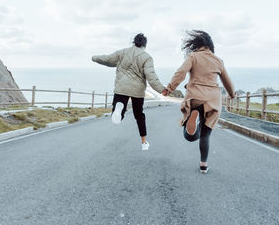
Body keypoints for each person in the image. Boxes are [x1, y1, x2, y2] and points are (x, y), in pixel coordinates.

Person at [162, 30, 235, 173]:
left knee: (189, 137)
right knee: (206, 134)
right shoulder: (218, 60)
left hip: (195, 97)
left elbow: (181, 73)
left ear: (197, 45)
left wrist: (169, 89)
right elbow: (227, 81)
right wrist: (232, 94)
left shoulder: (193, 56)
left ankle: (193, 115)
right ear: (210, 46)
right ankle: (203, 165)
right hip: (213, 99)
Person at [92, 33, 165, 150]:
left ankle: (119, 109)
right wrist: (162, 90)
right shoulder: (146, 57)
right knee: (139, 116)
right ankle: (144, 142)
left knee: (117, 115)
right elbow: (151, 77)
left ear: (134, 42)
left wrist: (94, 58)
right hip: (137, 91)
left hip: (122, 88)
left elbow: (107, 59)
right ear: (144, 45)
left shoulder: (122, 52)